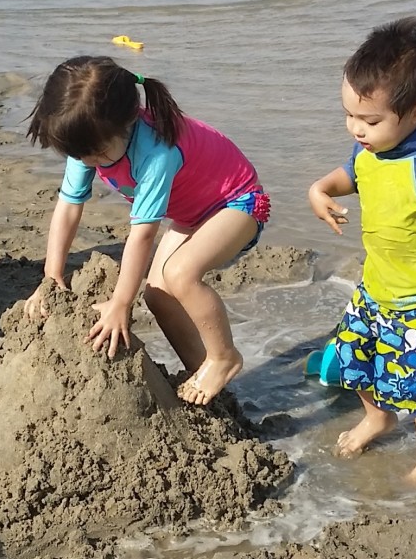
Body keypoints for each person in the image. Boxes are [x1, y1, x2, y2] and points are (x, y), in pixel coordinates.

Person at [23, 56, 269, 405]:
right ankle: (203, 370)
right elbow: (68, 207)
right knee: (157, 295)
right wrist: (52, 277)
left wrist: (121, 303)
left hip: (239, 203)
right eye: (79, 154)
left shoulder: (157, 153)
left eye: (97, 154)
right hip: (192, 214)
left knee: (180, 274)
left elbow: (142, 235)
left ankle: (224, 357)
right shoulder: (88, 143)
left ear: (126, 123)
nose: (88, 161)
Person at [307, 17, 416, 483]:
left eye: (369, 120)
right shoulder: (369, 150)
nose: (356, 128)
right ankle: (378, 417)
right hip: (375, 291)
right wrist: (320, 189)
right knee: (352, 360)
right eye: (349, 115)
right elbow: (350, 175)